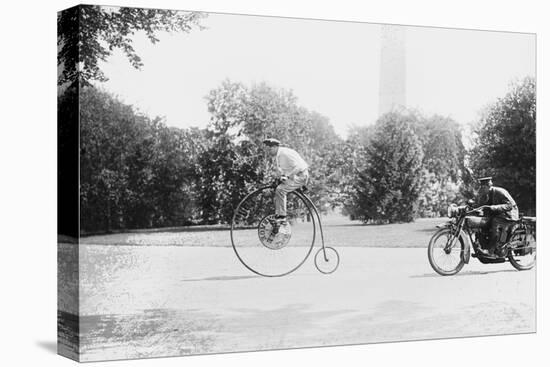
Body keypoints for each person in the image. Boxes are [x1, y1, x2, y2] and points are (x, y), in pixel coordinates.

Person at [262, 138, 309, 234]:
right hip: (295, 177)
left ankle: (282, 217)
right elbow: (284, 171)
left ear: (275, 147)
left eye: (269, 149)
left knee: (280, 190)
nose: (268, 151)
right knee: (278, 189)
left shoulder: (284, 153)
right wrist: (281, 178)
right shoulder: (279, 155)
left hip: (301, 176)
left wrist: (287, 176)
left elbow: (298, 167)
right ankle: (279, 215)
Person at [476, 176, 519, 257]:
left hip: (510, 214)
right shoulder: (486, 194)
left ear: (489, 186)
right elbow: (481, 206)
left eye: (483, 187)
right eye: (481, 186)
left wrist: (494, 208)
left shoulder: (500, 191)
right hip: (500, 214)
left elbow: (510, 205)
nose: (482, 189)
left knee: (495, 222)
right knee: (483, 222)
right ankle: (484, 245)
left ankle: (491, 251)